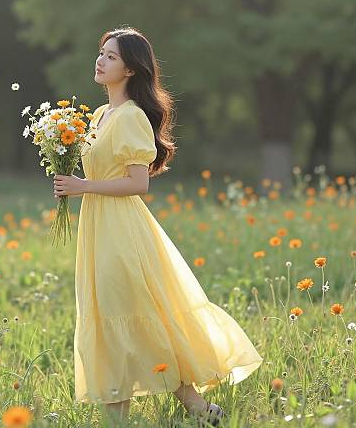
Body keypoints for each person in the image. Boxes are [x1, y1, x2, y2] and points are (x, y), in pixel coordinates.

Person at [53, 26, 263, 426]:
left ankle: (193, 408)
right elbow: (99, 173)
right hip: (97, 227)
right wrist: (69, 183)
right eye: (101, 53)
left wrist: (83, 186)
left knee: (128, 315)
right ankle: (195, 410)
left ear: (131, 69)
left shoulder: (131, 116)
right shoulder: (99, 115)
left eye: (111, 56)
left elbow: (138, 182)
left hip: (121, 230)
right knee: (109, 314)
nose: (100, 60)